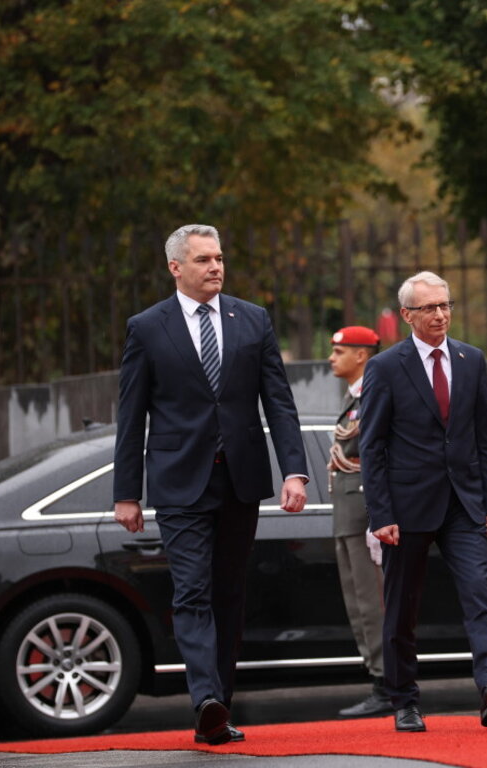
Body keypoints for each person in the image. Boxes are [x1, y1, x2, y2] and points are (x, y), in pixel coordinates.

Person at [112, 224, 309, 745]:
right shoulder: (147, 327)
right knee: (192, 590)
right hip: (180, 483)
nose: (215, 267)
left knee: (228, 595)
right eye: (203, 260)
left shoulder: (253, 319)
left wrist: (294, 470)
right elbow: (131, 416)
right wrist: (125, 492)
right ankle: (206, 699)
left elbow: (279, 402)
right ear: (176, 267)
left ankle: (218, 708)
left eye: (219, 257)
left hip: (240, 479)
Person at [359, 270, 487, 733]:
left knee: (479, 594)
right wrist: (381, 514)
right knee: (402, 609)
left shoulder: (471, 359)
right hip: (406, 510)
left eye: (445, 305)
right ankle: (404, 700)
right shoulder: (386, 367)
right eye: (429, 308)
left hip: (464, 504)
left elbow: (483, 438)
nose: (441, 315)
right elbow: (372, 446)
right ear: (407, 314)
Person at [327, 325, 396, 718]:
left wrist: (378, 516)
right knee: (358, 603)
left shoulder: (372, 395)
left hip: (364, 513)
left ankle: (387, 684)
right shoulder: (354, 398)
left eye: (340, 352)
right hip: (347, 513)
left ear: (362, 356)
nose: (332, 358)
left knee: (374, 604)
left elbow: (377, 455)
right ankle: (379, 677)